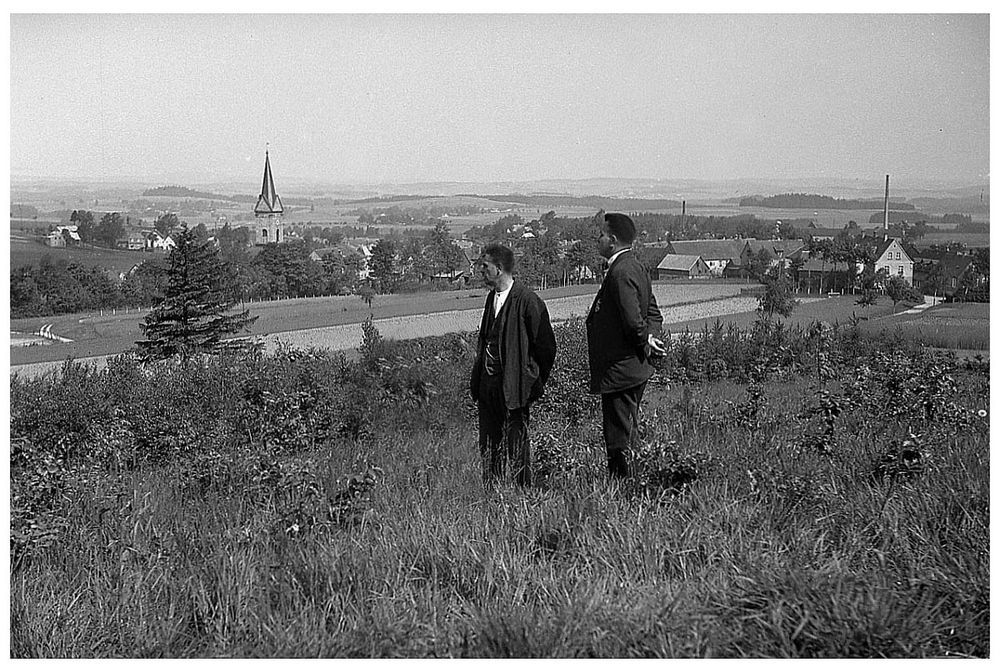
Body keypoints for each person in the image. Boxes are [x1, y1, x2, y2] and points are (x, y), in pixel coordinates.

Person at [586, 212, 667, 479]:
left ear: (613, 240)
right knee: (627, 429)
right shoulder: (635, 266)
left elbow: (633, 321)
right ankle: (632, 482)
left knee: (619, 436)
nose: (598, 238)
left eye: (601, 234)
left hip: (621, 369)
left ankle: (625, 488)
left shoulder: (621, 271)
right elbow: (653, 313)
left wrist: (644, 337)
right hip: (632, 366)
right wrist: (650, 337)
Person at [470, 244, 557, 487]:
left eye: (485, 266)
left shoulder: (528, 301)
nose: (481, 271)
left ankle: (522, 497)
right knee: (489, 446)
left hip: (515, 388)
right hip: (488, 388)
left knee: (517, 446)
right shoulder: (491, 299)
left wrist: (532, 380)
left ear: (499, 269)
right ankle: (493, 496)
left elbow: (546, 347)